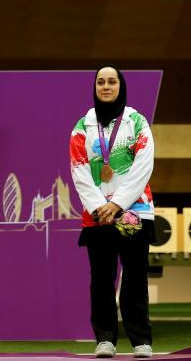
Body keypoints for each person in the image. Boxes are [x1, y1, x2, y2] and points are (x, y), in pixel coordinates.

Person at [70, 66, 155, 359]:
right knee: (102, 279)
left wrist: (118, 203)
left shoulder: (136, 121)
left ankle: (141, 341)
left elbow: (144, 164)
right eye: (101, 82)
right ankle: (105, 339)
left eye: (112, 81)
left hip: (135, 211)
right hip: (97, 216)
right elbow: (79, 169)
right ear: (95, 87)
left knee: (134, 278)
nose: (106, 86)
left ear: (121, 85)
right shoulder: (83, 125)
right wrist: (99, 207)